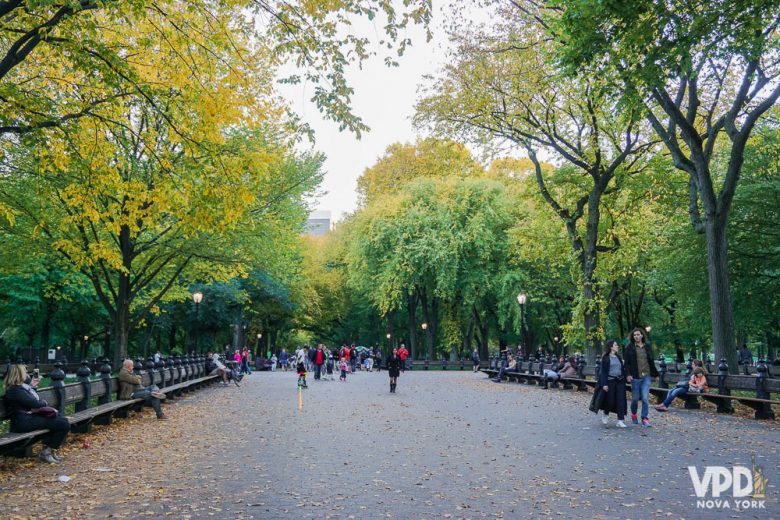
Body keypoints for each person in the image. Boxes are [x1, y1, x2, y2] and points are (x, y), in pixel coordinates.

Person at [3, 364, 71, 463]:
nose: (26, 374)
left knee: (61, 421)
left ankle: (48, 451)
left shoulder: (20, 388)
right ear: (19, 374)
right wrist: (43, 402)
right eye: (24, 372)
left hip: (27, 419)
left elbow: (33, 401)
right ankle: (46, 453)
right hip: (23, 423)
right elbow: (36, 403)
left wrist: (33, 386)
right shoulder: (15, 390)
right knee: (63, 424)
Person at [624, 327, 659, 427]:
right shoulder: (629, 347)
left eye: (638, 334)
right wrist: (628, 375)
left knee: (645, 398)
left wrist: (656, 374)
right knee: (635, 399)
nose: (636, 336)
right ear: (633, 337)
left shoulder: (647, 346)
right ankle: (634, 414)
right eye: (634, 335)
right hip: (635, 377)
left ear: (642, 335)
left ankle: (644, 418)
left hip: (646, 376)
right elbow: (626, 364)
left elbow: (651, 361)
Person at [597, 340, 627, 428]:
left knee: (621, 400)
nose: (617, 346)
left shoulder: (618, 357)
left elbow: (622, 369)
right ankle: (606, 413)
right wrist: (604, 384)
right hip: (610, 381)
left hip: (620, 381)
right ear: (611, 347)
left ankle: (620, 420)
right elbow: (603, 372)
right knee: (610, 401)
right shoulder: (606, 358)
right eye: (616, 345)